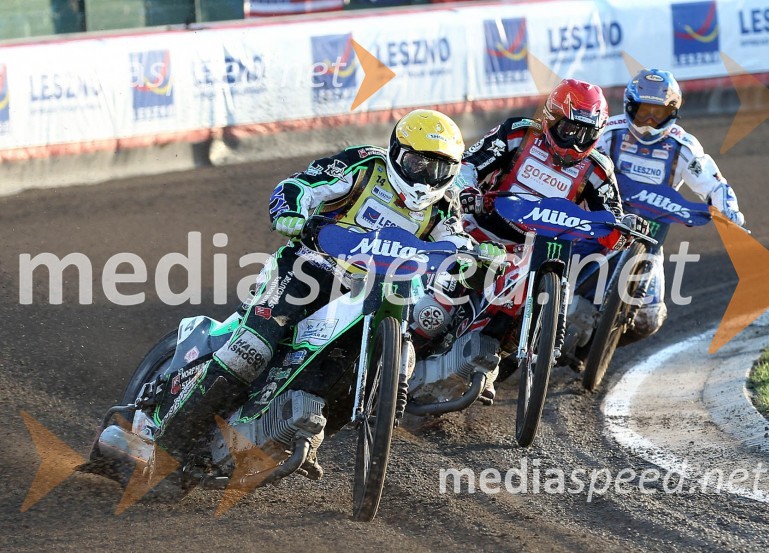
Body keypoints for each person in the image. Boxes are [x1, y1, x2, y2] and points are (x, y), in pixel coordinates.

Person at [149, 109, 504, 461]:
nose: (426, 177)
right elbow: (301, 185)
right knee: (251, 350)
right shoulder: (364, 165)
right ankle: (165, 441)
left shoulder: (444, 206)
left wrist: (480, 259)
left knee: (393, 360)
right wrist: (291, 210)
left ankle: (293, 428)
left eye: (439, 168)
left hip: (378, 291)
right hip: (308, 268)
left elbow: (456, 246)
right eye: (417, 163)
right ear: (397, 152)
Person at [455, 78, 646, 386]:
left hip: (533, 253)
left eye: (586, 135)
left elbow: (612, 218)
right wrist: (466, 190)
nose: (574, 144)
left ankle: (505, 346)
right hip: (481, 231)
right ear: (551, 118)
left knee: (527, 292)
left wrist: (626, 230)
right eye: (569, 130)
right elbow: (468, 164)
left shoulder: (598, 169)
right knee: (447, 280)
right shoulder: (518, 133)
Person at [596, 68, 745, 340]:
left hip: (650, 240)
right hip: (599, 226)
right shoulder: (608, 132)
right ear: (630, 106)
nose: (650, 122)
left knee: (649, 318)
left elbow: (713, 183)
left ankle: (590, 354)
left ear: (673, 112)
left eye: (659, 113)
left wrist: (730, 211)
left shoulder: (683, 146)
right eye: (643, 112)